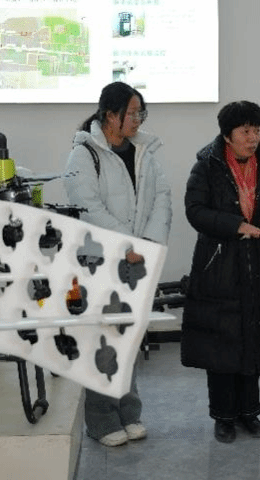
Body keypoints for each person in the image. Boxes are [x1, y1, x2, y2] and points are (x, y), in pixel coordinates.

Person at [63, 81, 172, 447]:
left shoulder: (145, 151)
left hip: (137, 260)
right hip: (101, 260)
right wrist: (128, 244)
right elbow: (88, 207)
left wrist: (148, 244)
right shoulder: (84, 154)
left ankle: (129, 411)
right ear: (110, 115)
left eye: (141, 112)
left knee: (129, 338)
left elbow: (162, 198)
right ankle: (100, 419)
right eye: (132, 113)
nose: (138, 119)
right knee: (103, 338)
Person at [180, 100, 260, 444]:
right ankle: (223, 416)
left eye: (257, 130)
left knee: (253, 337)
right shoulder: (207, 165)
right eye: (245, 131)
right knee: (221, 341)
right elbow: (195, 210)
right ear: (227, 135)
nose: (253, 137)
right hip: (219, 265)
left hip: (258, 263)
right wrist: (236, 226)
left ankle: (249, 413)